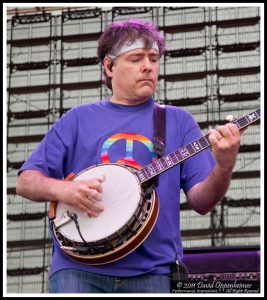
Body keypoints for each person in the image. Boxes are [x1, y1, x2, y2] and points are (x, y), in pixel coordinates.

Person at [16, 19, 243, 293]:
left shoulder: (178, 121)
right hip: (78, 270)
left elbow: (202, 201)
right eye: (136, 58)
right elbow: (26, 181)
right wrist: (65, 190)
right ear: (109, 66)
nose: (148, 66)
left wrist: (225, 165)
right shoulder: (77, 119)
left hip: (154, 272)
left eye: (153, 59)